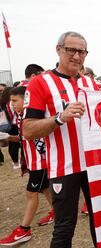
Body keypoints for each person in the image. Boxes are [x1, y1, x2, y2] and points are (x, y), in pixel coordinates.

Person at [22, 31, 101, 247]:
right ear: (58, 50)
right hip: (64, 167)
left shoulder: (92, 85)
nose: (76, 56)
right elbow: (27, 130)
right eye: (71, 50)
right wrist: (59, 118)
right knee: (65, 227)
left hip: (95, 167)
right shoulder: (40, 83)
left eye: (81, 52)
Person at [0, 86, 54, 246]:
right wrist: (8, 137)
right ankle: (57, 213)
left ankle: (24, 230)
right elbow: (24, 139)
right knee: (45, 189)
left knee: (31, 194)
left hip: (41, 161)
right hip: (33, 161)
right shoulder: (19, 116)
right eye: (11, 102)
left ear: (27, 99)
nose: (12, 105)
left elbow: (38, 137)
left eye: (15, 101)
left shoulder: (34, 115)